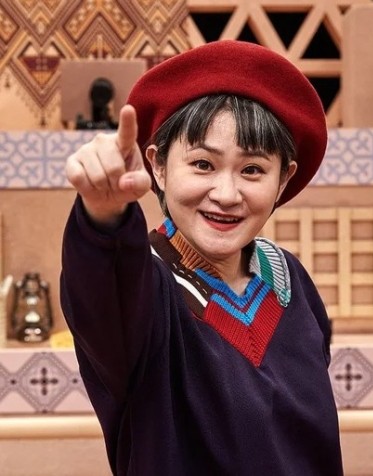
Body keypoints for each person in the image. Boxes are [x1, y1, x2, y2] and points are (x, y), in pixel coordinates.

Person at [60, 40, 343, 476]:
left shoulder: (289, 277)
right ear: (158, 166)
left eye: (252, 170)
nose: (226, 195)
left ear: (283, 180)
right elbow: (104, 293)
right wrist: (103, 215)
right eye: (203, 165)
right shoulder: (145, 288)